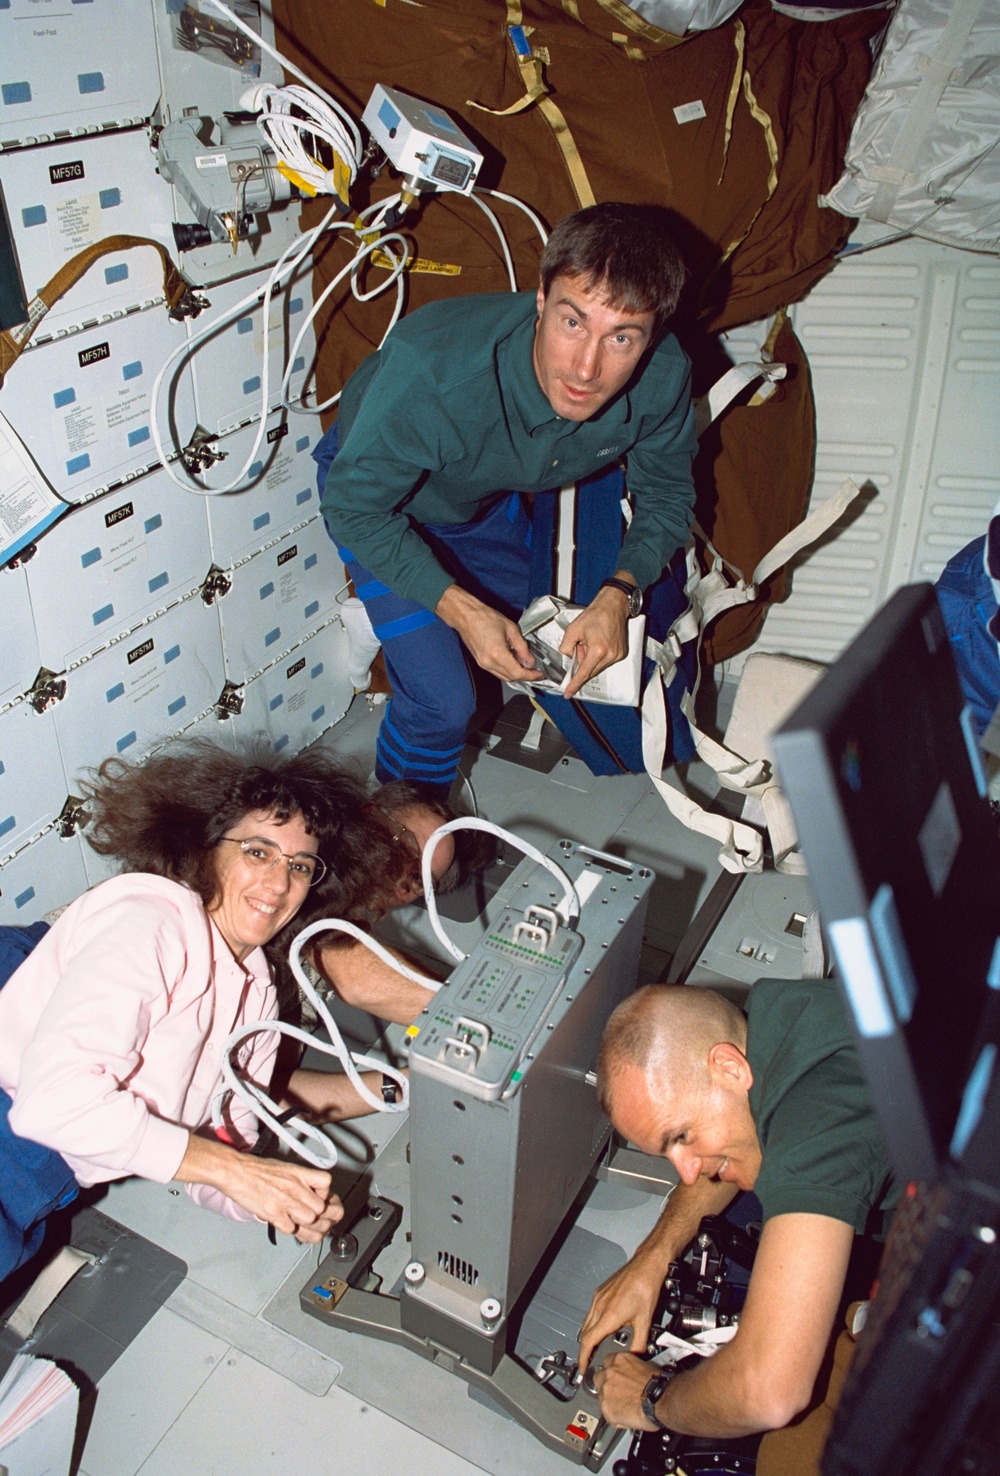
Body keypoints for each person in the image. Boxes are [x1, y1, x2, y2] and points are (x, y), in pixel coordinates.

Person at [318, 201, 696, 796]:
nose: (588, 367)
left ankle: (407, 609)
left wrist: (618, 596)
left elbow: (669, 497)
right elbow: (353, 509)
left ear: (651, 337)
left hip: (479, 502)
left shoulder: (664, 377)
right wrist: (459, 609)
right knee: (445, 701)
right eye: (573, 322)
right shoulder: (436, 372)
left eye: (621, 336)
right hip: (385, 504)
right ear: (541, 300)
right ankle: (400, 825)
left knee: (555, 633)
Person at [0, 743, 397, 1284]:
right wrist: (237, 1171)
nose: (279, 884)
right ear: (208, 848)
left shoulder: (258, 993)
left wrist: (271, 1195)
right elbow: (53, 1103)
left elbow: (221, 1145)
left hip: (54, 1181)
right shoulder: (152, 922)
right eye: (258, 852)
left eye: (299, 866)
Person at [579, 979, 899, 1440]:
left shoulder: (815, 1119)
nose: (688, 1174)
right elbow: (740, 1138)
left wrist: (651, 1398)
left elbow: (770, 1393)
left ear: (728, 1067)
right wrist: (653, 1257)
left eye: (681, 1137)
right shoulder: (781, 1024)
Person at [310, 780, 471, 1026]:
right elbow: (356, 980)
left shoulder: (349, 913)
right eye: (404, 846)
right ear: (368, 813)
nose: (402, 874)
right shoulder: (309, 857)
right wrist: (478, 1019)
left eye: (419, 878)